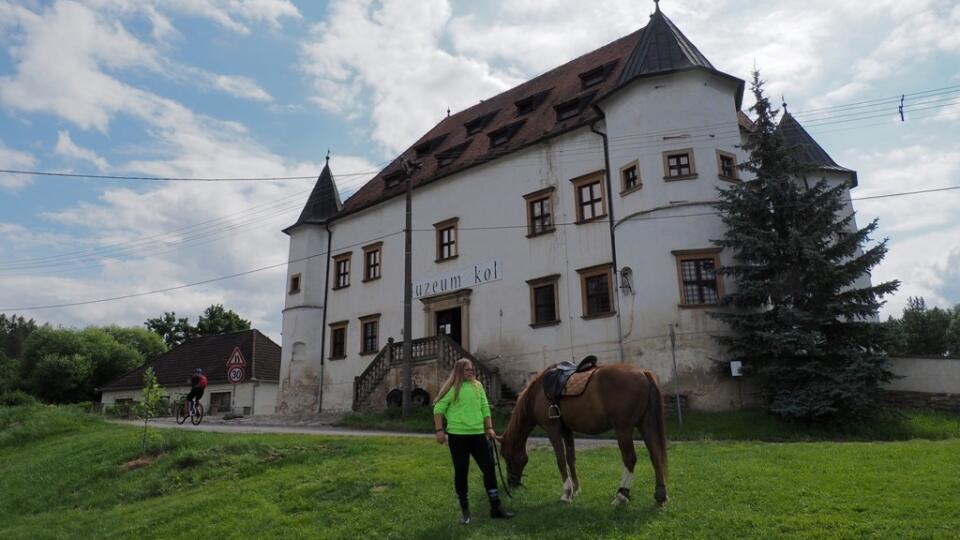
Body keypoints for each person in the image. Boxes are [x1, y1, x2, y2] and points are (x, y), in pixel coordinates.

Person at [433, 358, 513, 525]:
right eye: (467, 370)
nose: (471, 372)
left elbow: (484, 407)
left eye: (472, 369)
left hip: (478, 435)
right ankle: (465, 512)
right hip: (458, 436)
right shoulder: (453, 388)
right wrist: (439, 431)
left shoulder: (478, 386)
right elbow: (438, 408)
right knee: (462, 472)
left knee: (489, 469)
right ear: (459, 371)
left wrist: (489, 428)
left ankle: (496, 508)